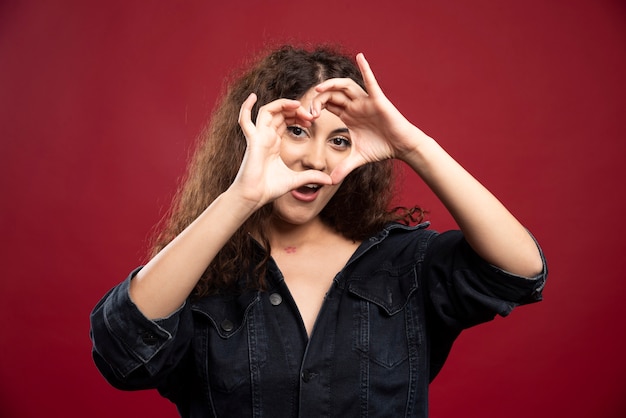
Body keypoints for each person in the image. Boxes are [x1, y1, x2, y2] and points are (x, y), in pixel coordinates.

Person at [90, 45, 547, 417]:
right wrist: (240, 198)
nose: (317, 159)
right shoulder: (200, 270)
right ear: (251, 135)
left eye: (339, 140)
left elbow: (521, 272)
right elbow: (122, 351)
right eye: (296, 131)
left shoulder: (404, 264)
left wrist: (413, 146)